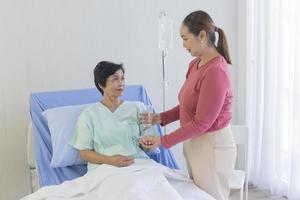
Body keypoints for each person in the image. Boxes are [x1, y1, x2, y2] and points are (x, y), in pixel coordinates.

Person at [139, 10, 237, 200]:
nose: (183, 44)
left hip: (212, 146)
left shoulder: (216, 71)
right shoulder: (196, 64)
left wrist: (163, 141)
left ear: (202, 35)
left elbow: (202, 123)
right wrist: (159, 118)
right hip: (195, 142)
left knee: (211, 197)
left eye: (185, 38)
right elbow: (186, 106)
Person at [69, 61, 158, 171]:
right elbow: (84, 153)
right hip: (105, 168)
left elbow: (149, 146)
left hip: (138, 164)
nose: (121, 83)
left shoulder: (138, 108)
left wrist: (147, 144)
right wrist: (110, 160)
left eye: (123, 78)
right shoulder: (89, 115)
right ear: (101, 84)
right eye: (115, 79)